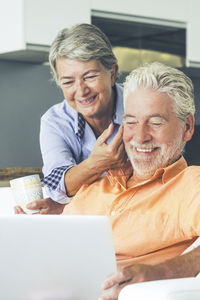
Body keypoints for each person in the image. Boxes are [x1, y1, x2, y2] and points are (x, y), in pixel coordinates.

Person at [62, 62, 200, 299]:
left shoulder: (190, 184)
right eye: (132, 122)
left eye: (155, 123)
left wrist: (160, 272)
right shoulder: (95, 186)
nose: (140, 137)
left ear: (187, 127)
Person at [15, 23, 126, 214]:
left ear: (112, 73)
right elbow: (57, 187)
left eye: (90, 76)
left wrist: (72, 198)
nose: (81, 91)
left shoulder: (141, 106)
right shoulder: (55, 121)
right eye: (68, 82)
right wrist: (96, 163)